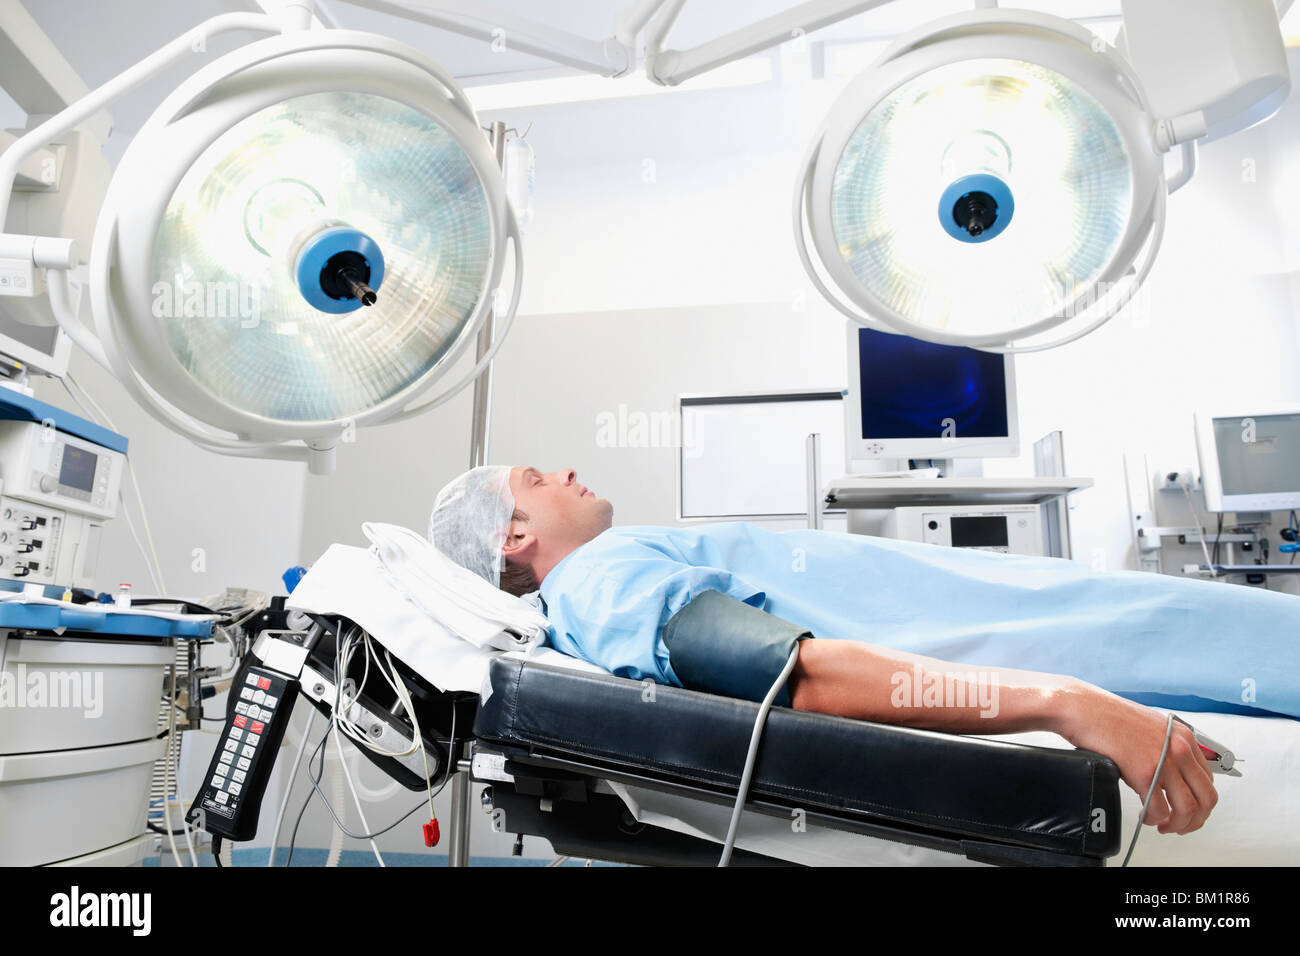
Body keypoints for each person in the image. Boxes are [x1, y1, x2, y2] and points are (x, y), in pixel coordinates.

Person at [429, 464, 1299, 837]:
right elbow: (790, 677)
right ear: (511, 538)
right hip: (1069, 643)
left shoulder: (609, 576)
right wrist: (1069, 702)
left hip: (1054, 621)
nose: (566, 474)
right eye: (537, 480)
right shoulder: (598, 581)